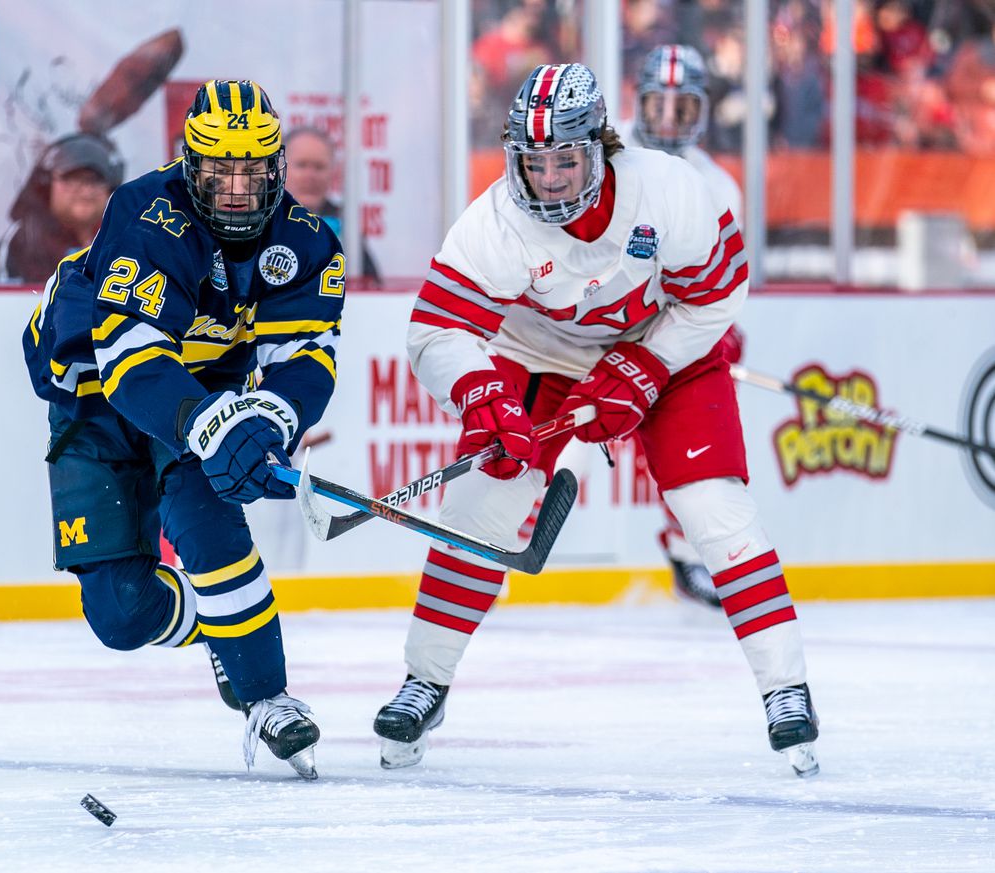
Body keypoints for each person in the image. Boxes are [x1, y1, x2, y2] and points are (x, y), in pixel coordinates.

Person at [373, 63, 819, 779]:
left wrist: (646, 366)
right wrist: (482, 392)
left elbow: (717, 293)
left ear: (601, 147)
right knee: (480, 506)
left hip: (664, 350)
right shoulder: (493, 223)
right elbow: (435, 332)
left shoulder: (668, 190)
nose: (548, 178)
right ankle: (425, 681)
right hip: (539, 355)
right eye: (533, 160)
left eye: (566, 159)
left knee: (715, 509)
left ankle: (785, 687)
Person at [21, 79, 345, 779]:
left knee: (207, 523)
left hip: (200, 385)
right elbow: (132, 362)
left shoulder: (306, 241)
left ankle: (267, 695)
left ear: (277, 168)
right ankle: (221, 629)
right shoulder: (145, 212)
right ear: (189, 165)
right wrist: (213, 423)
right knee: (122, 615)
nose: (235, 189)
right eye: (219, 170)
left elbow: (305, 358)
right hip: (95, 393)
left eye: (252, 171)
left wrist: (266, 419)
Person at [624, 43, 745, 609]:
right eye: (658, 104)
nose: (669, 121)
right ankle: (501, 540)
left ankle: (687, 552)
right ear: (638, 102)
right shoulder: (604, 151)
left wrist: (715, 331)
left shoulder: (718, 188)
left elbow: (717, 287)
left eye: (684, 108)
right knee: (552, 437)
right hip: (584, 319)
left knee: (691, 444)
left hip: (665, 334)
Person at [0, 132, 123, 282]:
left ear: (111, 188)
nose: (86, 191)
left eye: (96, 180)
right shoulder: (23, 239)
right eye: (71, 178)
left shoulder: (122, 240)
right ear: (46, 186)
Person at [283, 126, 380, 284]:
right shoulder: (262, 221)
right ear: (280, 168)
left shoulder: (346, 224)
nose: (310, 176)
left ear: (332, 172)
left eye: (319, 167)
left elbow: (371, 285)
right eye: (302, 165)